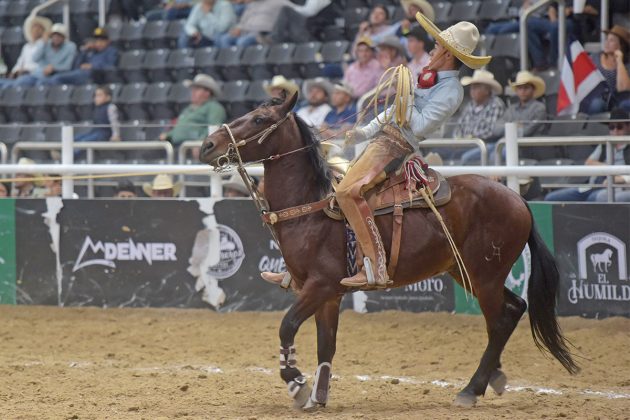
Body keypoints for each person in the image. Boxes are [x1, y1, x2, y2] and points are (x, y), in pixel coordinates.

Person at [263, 16, 491, 288]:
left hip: (399, 146)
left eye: (438, 45)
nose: (432, 48)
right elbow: (394, 111)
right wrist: (363, 131)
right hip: (384, 140)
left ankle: (374, 265)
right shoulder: (429, 79)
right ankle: (301, 269)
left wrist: (404, 97)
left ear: (448, 54)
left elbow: (417, 125)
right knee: (334, 185)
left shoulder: (451, 91)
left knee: (348, 192)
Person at [545, 108, 630, 202]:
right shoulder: (604, 145)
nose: (615, 131)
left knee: (594, 198)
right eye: (611, 127)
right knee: (551, 198)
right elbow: (589, 162)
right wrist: (610, 170)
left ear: (628, 127)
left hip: (619, 187)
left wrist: (621, 178)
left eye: (619, 127)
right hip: (593, 185)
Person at [455, 69, 506, 164]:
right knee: (443, 151)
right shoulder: (470, 105)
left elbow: (491, 132)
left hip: (486, 145)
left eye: (476, 88)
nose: (472, 91)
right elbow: (459, 127)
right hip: (467, 144)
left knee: (466, 158)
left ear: (487, 91)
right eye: (472, 88)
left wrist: (472, 137)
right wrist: (459, 138)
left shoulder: (496, 104)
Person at [159, 74, 226, 145]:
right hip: (175, 145)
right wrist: (168, 135)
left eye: (197, 89)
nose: (193, 92)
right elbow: (179, 127)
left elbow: (214, 130)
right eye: (193, 89)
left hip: (192, 147)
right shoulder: (188, 109)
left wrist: (201, 143)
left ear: (207, 92)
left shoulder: (214, 107)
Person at [41, 27, 118, 86]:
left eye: (102, 40)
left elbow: (110, 67)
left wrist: (93, 66)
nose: (99, 43)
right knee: (45, 81)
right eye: (97, 40)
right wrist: (84, 50)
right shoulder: (91, 51)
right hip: (79, 74)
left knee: (57, 78)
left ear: (108, 41)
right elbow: (76, 65)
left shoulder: (111, 51)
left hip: (93, 76)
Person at [11, 24, 76, 88]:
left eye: (59, 36)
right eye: (54, 35)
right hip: (38, 74)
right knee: (21, 81)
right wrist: (43, 43)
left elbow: (67, 66)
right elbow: (35, 59)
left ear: (64, 37)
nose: (56, 38)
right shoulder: (44, 43)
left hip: (55, 76)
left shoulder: (70, 46)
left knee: (41, 84)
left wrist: (53, 68)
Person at [584, 25, 630, 114]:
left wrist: (619, 60)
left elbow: (624, 89)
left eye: (611, 40)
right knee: (597, 104)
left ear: (621, 45)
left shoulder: (626, 65)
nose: (607, 43)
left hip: (616, 101)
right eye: (607, 39)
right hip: (595, 98)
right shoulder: (594, 59)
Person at [492, 71, 547, 141]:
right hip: (508, 143)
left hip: (530, 145)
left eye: (526, 88)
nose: (522, 91)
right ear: (517, 91)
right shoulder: (511, 109)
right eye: (520, 88)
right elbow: (495, 129)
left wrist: (509, 127)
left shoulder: (539, 108)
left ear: (533, 90)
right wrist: (515, 126)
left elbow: (527, 131)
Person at [0, 16, 51, 89]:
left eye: (39, 28)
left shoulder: (46, 45)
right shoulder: (26, 46)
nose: (36, 30)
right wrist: (15, 71)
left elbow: (42, 64)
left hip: (33, 75)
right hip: (20, 75)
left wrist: (28, 70)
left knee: (14, 85)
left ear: (43, 31)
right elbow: (20, 62)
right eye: (34, 27)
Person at [215, 0, 288, 49]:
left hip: (262, 33)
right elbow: (243, 20)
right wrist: (239, 28)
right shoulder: (252, 4)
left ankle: (241, 67)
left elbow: (294, 10)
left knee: (243, 41)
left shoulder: (278, 1)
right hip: (245, 31)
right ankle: (228, 66)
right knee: (224, 39)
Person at [270, 0, 335, 44]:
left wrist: (292, 7)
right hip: (309, 29)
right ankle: (276, 39)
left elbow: (309, 11)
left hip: (313, 33)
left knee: (286, 11)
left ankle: (275, 39)